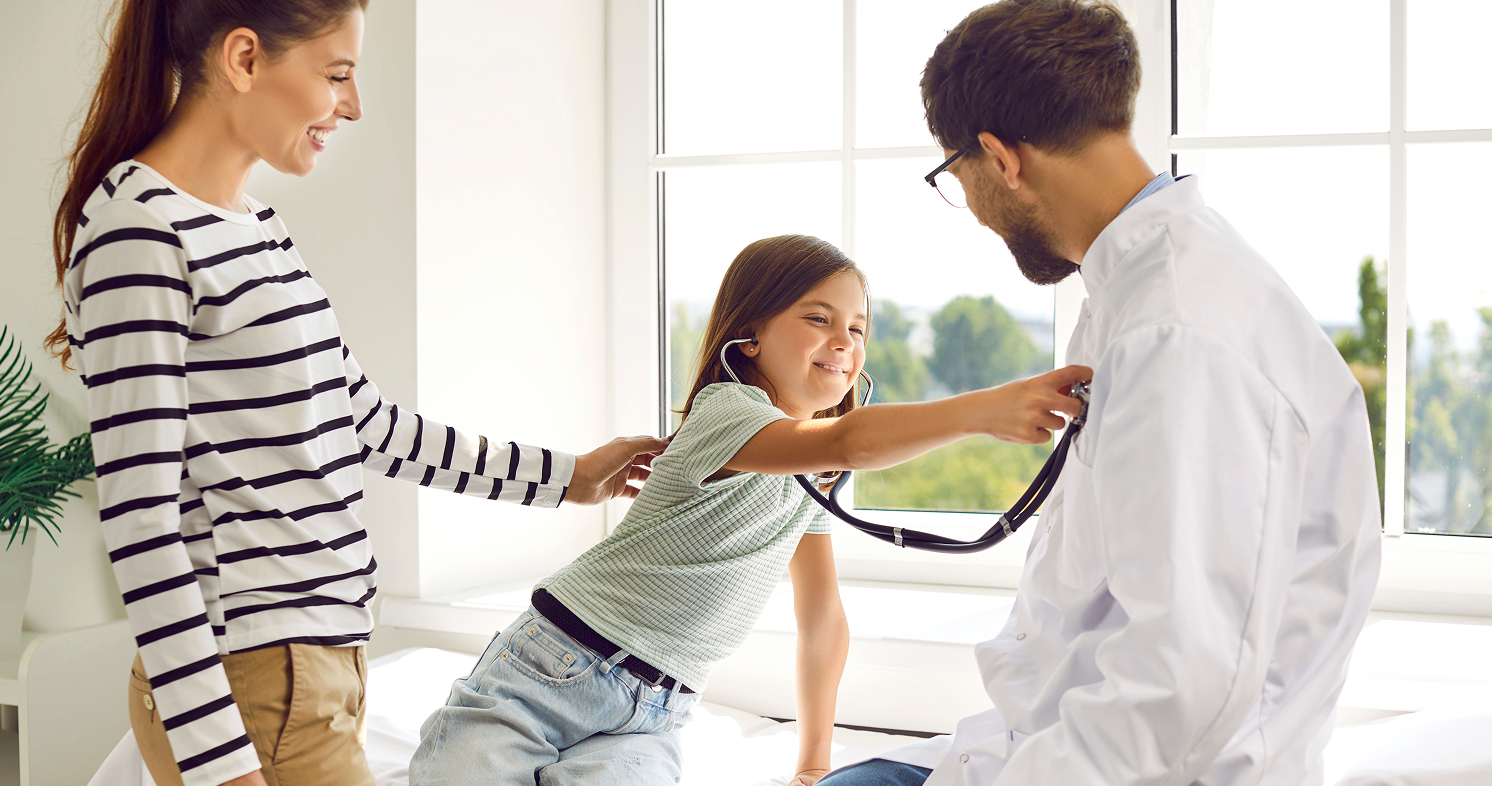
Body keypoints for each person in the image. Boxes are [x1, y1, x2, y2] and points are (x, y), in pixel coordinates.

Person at [48, 2, 665, 785]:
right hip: (255, 683)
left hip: (313, 667)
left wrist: (570, 475)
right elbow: (141, 523)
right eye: (336, 74)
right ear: (244, 60)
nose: (353, 103)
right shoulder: (141, 231)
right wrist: (222, 767)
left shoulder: (255, 226)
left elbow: (361, 421)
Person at [819, 1, 1382, 785]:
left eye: (958, 176)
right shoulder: (1139, 294)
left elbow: (1178, 693)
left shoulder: (1180, 331)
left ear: (1001, 157)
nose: (972, 207)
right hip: (1040, 743)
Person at [408, 234, 1091, 786]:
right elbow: (852, 439)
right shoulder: (728, 412)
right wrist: (982, 410)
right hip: (550, 669)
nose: (844, 341)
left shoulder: (810, 472)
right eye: (818, 318)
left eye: (858, 328)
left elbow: (822, 619)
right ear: (750, 337)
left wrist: (813, 763)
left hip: (654, 715)